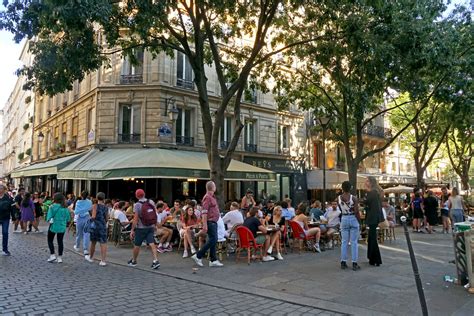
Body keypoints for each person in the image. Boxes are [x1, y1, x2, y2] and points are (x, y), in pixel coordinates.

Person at [191, 181, 224, 267]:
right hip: (210, 221)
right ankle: (198, 255)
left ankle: (213, 260)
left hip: (213, 221)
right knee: (213, 239)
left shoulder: (212, 197)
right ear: (213, 187)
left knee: (213, 239)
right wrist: (205, 224)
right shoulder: (207, 198)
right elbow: (204, 212)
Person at [128, 189, 160, 269]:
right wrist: (155, 224)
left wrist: (132, 229)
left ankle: (134, 261)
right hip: (150, 226)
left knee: (137, 244)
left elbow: (135, 219)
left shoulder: (137, 205)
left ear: (136, 196)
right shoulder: (151, 202)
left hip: (141, 228)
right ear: (144, 194)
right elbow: (154, 214)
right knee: (152, 243)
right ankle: (155, 261)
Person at [46, 193, 71, 263]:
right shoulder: (65, 207)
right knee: (60, 241)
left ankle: (52, 255)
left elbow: (48, 218)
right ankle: (60, 257)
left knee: (50, 240)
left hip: (53, 226)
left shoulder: (52, 207)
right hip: (62, 226)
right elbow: (68, 218)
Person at [365, 176, 384, 267]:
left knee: (372, 238)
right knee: (371, 238)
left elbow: (367, 203)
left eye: (367, 181)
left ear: (371, 182)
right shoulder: (375, 192)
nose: (366, 182)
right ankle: (371, 258)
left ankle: (376, 259)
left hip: (373, 217)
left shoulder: (372, 192)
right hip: (374, 217)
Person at [86, 192, 108, 266]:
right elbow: (107, 218)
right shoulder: (106, 207)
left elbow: (93, 216)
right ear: (104, 198)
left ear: (97, 197)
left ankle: (91, 257)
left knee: (93, 242)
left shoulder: (95, 205)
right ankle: (103, 260)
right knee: (103, 243)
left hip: (95, 226)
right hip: (103, 226)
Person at [73, 191, 92, 257]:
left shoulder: (78, 202)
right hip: (87, 218)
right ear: (88, 195)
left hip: (80, 218)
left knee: (79, 233)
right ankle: (85, 249)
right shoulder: (89, 202)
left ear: (81, 195)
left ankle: (77, 246)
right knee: (86, 234)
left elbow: (76, 212)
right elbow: (90, 209)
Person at [0, 185, 14, 256]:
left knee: (5, 233)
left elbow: (12, 208)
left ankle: (5, 249)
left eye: (1, 188)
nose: (0, 189)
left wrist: (14, 217)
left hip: (5, 218)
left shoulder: (8, 198)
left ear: (4, 190)